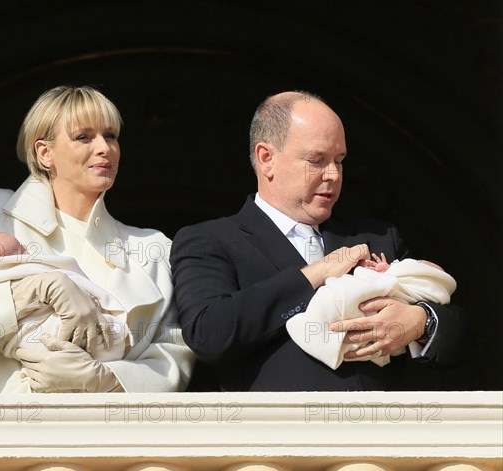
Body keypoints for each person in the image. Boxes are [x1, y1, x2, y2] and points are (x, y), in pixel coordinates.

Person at [170, 90, 466, 392]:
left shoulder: (377, 237)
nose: (334, 175)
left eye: (339, 160)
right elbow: (210, 333)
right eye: (317, 160)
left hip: (378, 434)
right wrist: (315, 274)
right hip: (278, 434)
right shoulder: (209, 240)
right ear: (266, 158)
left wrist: (419, 322)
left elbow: (457, 334)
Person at [0, 85, 195, 393]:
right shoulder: (1, 213)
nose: (104, 148)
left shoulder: (152, 248)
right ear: (45, 153)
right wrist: (38, 289)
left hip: (112, 435)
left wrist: (101, 378)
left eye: (110, 136)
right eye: (84, 136)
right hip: (11, 432)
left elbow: (174, 355)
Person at [0, 231, 133, 393]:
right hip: (24, 389)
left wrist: (110, 380)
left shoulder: (152, 242)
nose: (26, 246)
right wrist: (36, 287)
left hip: (113, 393)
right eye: (18, 248)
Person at [286, 253, 457, 370]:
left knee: (346, 293)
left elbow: (406, 284)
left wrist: (422, 320)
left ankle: (319, 328)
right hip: (291, 386)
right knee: (340, 295)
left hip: (377, 393)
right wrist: (316, 272)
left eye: (418, 264)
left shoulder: (385, 233)